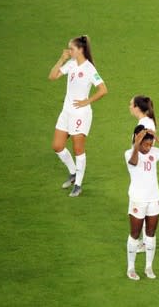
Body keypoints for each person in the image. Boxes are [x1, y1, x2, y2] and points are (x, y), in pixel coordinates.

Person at [48, 35, 108, 197]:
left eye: (71, 49)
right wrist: (62, 58)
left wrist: (86, 101)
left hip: (80, 114)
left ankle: (79, 184)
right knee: (57, 146)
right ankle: (73, 172)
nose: (69, 51)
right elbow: (52, 76)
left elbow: (103, 89)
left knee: (78, 149)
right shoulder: (71, 64)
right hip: (66, 112)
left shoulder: (89, 69)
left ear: (80, 50)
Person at [124, 125, 159, 280]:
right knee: (135, 234)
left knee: (151, 234)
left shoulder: (154, 152)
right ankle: (131, 268)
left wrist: (157, 138)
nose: (148, 148)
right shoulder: (129, 153)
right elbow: (133, 162)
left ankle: (148, 267)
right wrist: (136, 144)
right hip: (137, 200)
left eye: (150, 144)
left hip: (154, 199)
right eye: (145, 144)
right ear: (137, 140)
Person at [129, 95, 157, 253]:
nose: (129, 106)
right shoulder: (146, 122)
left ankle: (145, 243)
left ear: (137, 107)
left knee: (144, 201)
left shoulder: (145, 124)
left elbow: (145, 146)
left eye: (131, 104)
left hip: (141, 166)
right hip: (141, 165)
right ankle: (146, 242)